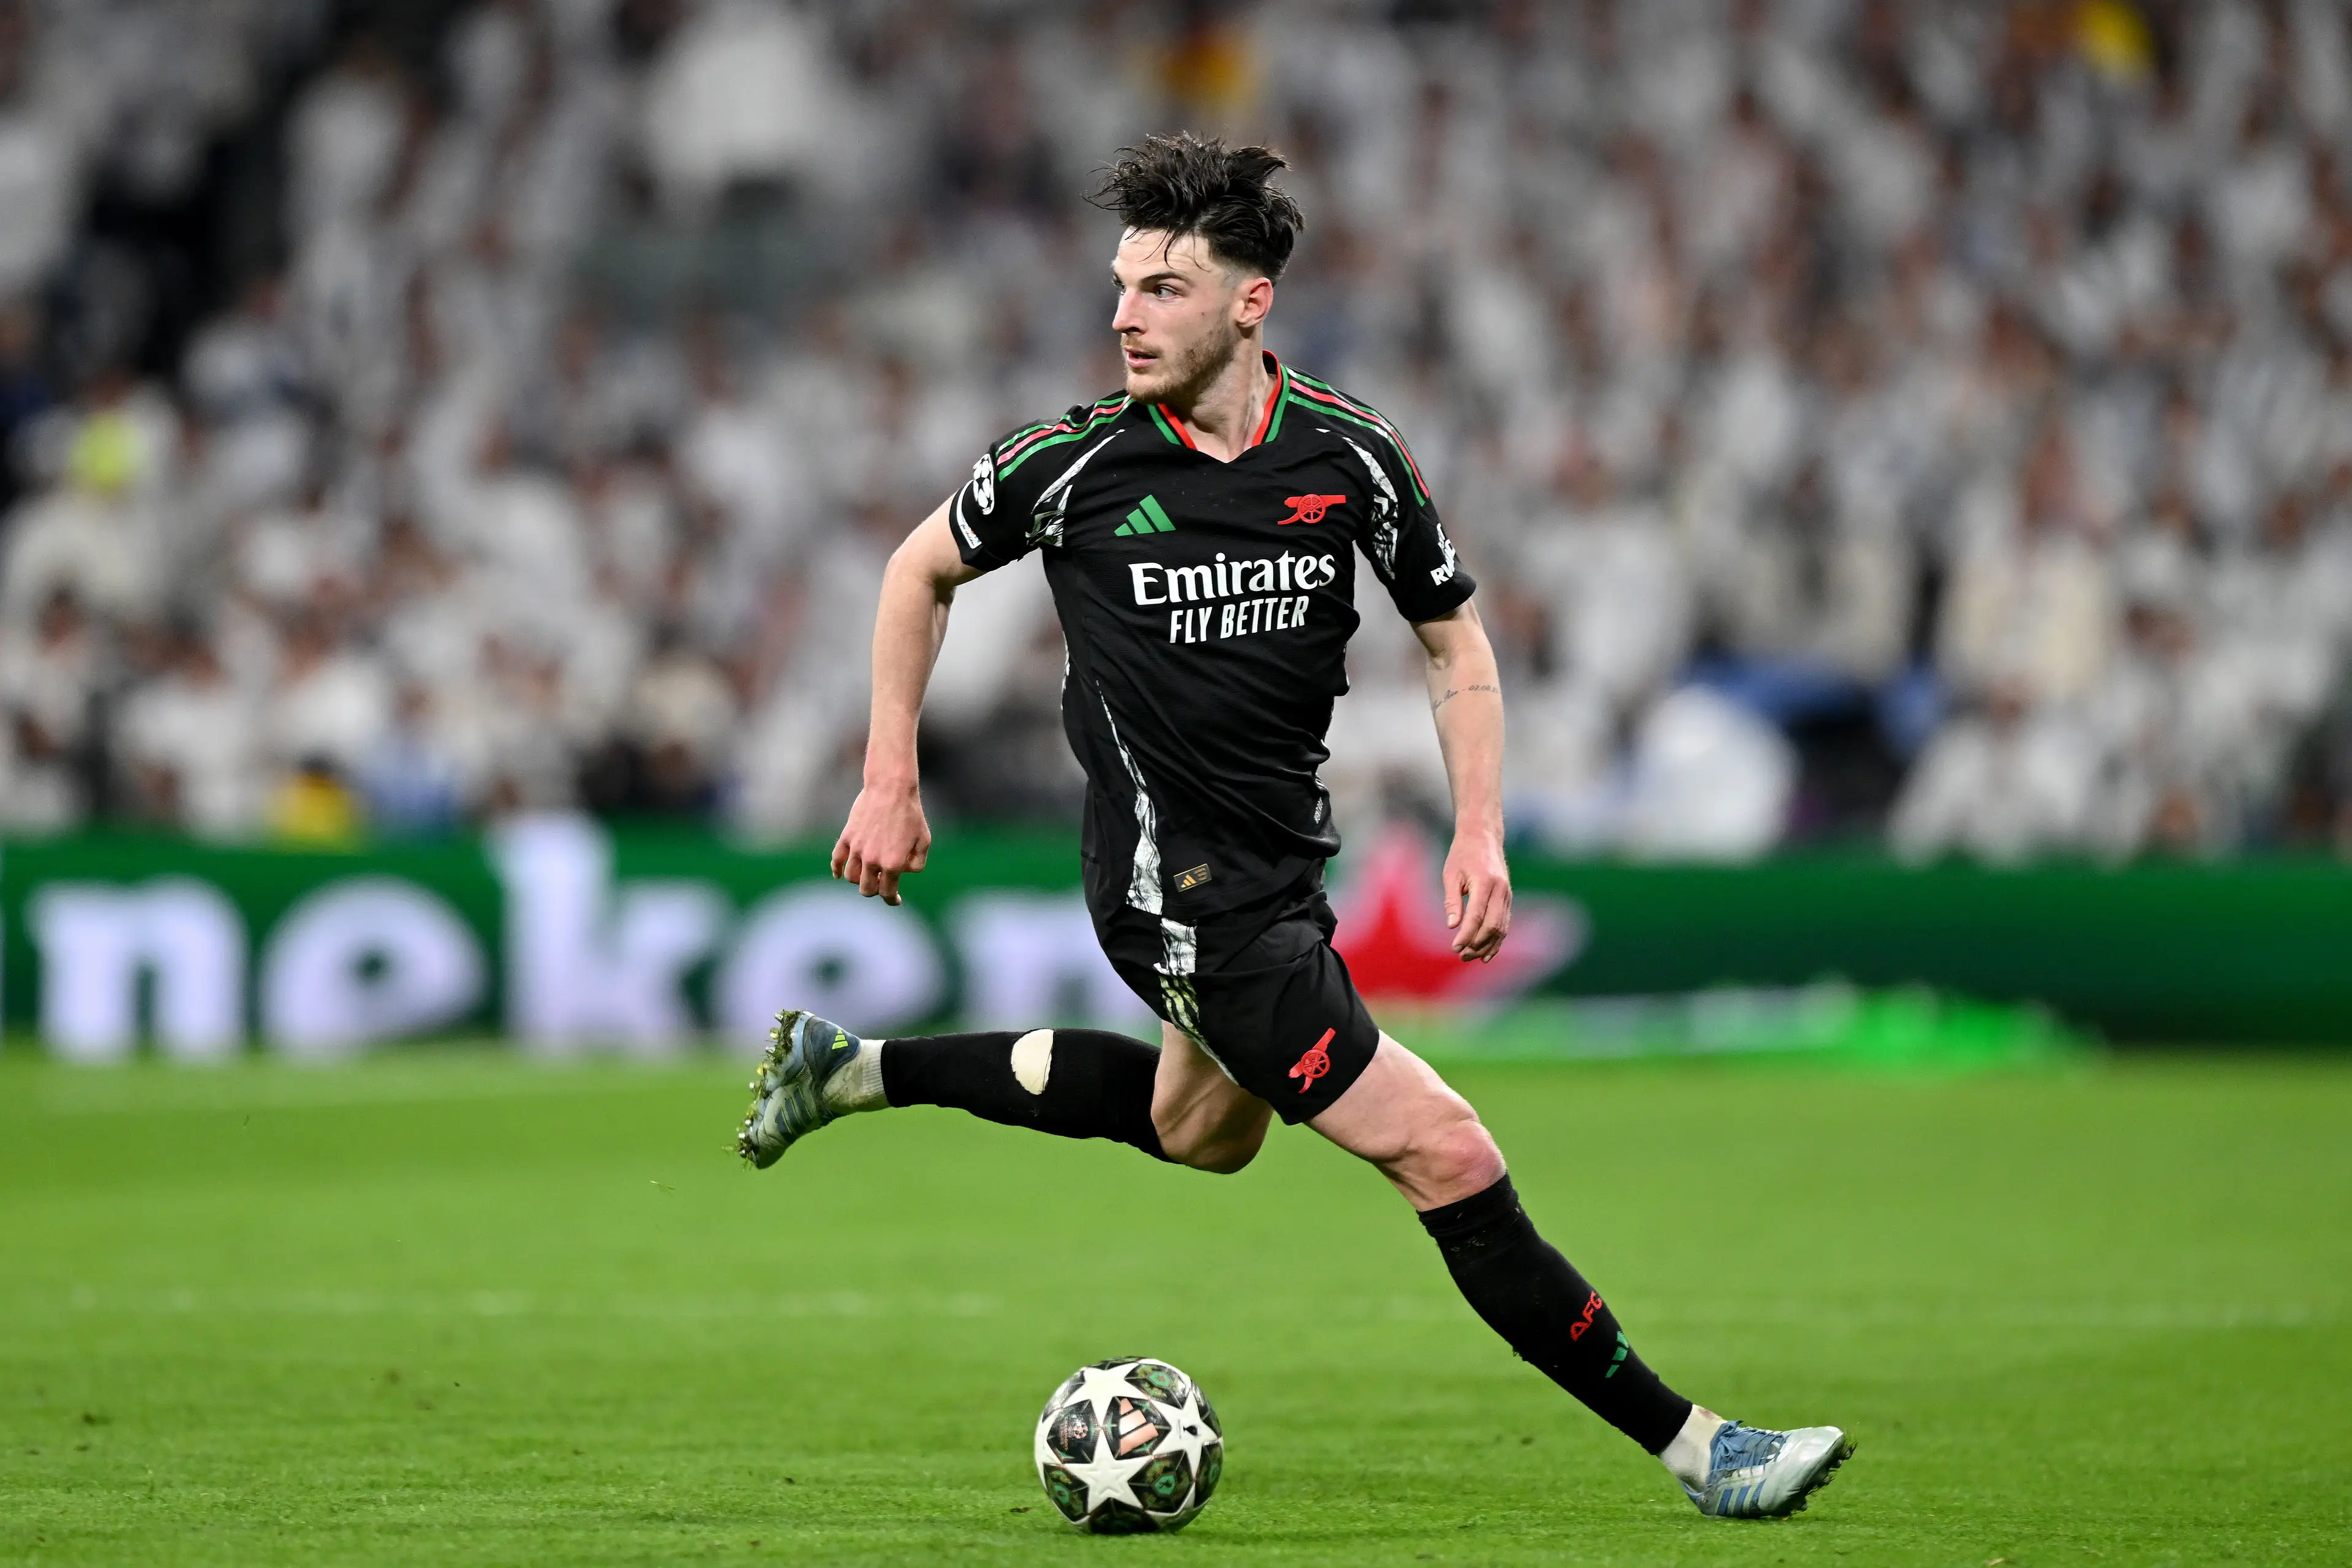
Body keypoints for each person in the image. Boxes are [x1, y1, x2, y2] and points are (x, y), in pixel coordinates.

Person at [736, 134, 1852, 1520]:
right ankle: (1702, 1448)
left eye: (1164, 289)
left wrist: (1480, 827)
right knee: (1446, 1150)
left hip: (1279, 871)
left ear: (1249, 304)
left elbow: (1455, 644)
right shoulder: (1073, 462)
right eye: (1122, 287)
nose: (1127, 316)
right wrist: (888, 775)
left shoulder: (1349, 454)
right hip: (1175, 892)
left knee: (1198, 1129)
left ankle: (854, 1073)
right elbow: (918, 569)